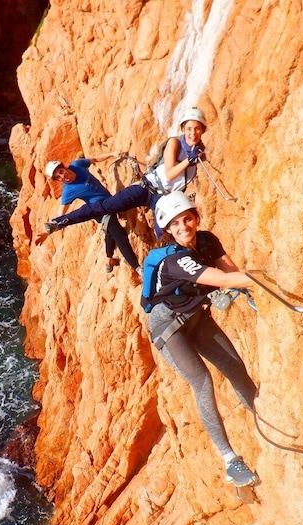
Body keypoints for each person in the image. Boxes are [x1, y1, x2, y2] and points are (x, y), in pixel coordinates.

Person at [145, 190, 260, 487]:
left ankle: (263, 420)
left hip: (197, 318)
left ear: (196, 217)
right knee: (203, 382)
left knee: (236, 368)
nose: (184, 226)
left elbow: (230, 271)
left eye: (188, 218)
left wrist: (248, 285)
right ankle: (230, 461)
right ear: (168, 231)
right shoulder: (174, 261)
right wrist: (267, 276)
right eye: (176, 224)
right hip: (169, 328)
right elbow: (222, 280)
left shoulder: (207, 240)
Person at [40, 108, 207, 239]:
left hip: (161, 198)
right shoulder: (175, 143)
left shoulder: (199, 152)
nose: (192, 133)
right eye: (189, 129)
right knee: (103, 207)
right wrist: (189, 160)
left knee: (163, 231)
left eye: (197, 129)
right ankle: (59, 223)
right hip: (145, 187)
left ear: (202, 130)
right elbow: (170, 174)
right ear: (183, 129)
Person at [36, 153, 141, 273]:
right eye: (58, 177)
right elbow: (62, 214)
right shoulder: (68, 191)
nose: (62, 176)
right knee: (119, 234)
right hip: (98, 210)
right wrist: (48, 231)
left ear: (63, 167)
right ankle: (138, 268)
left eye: (60, 171)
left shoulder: (77, 165)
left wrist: (112, 154)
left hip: (108, 200)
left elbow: (95, 159)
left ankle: (109, 259)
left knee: (110, 232)